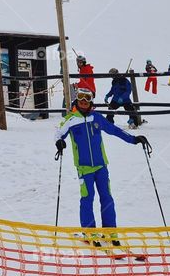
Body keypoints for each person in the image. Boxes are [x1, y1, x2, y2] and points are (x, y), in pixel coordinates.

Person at [55, 87, 150, 239]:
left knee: (107, 198)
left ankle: (110, 231)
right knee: (87, 198)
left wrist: (133, 139)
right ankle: (89, 232)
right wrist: (59, 142)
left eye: (87, 98)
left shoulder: (97, 117)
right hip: (84, 168)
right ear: (77, 100)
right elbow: (58, 133)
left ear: (91, 101)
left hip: (101, 166)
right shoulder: (70, 119)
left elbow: (114, 130)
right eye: (81, 98)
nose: (84, 101)